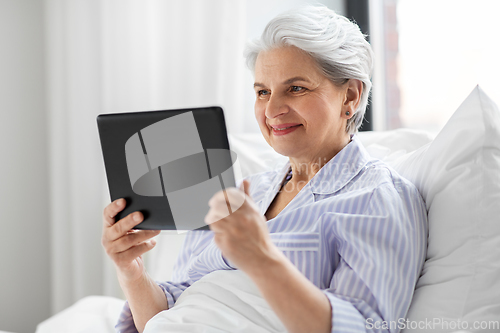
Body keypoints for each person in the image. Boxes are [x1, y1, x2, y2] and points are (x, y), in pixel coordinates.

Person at [102, 5, 427, 333]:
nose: (272, 110)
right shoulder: (239, 195)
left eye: (296, 88)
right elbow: (171, 313)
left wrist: (260, 258)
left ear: (351, 96)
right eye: (262, 92)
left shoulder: (377, 198)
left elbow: (362, 328)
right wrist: (132, 271)